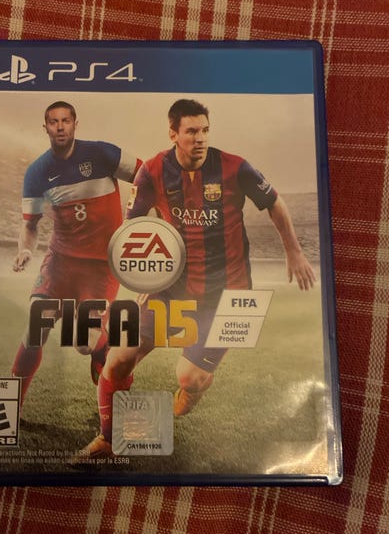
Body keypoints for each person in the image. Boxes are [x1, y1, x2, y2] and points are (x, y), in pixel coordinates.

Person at [79, 98, 317, 459]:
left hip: (232, 296)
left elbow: (274, 203)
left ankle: (192, 390)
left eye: (205, 130)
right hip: (173, 289)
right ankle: (108, 441)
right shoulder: (153, 172)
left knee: (190, 377)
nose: (200, 138)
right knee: (118, 359)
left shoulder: (236, 167)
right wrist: (146, 279)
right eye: (191, 131)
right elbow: (133, 230)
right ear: (173, 133)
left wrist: (294, 252)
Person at [11, 100, 142, 407]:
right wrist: (25, 250)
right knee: (35, 328)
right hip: (60, 263)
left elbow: (147, 176)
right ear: (45, 128)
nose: (60, 127)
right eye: (53, 122)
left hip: (101, 267)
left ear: (74, 124)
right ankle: (10, 404)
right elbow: (30, 225)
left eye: (65, 121)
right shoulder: (37, 172)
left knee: (84, 343)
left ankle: (102, 350)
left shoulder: (103, 154)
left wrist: (141, 213)